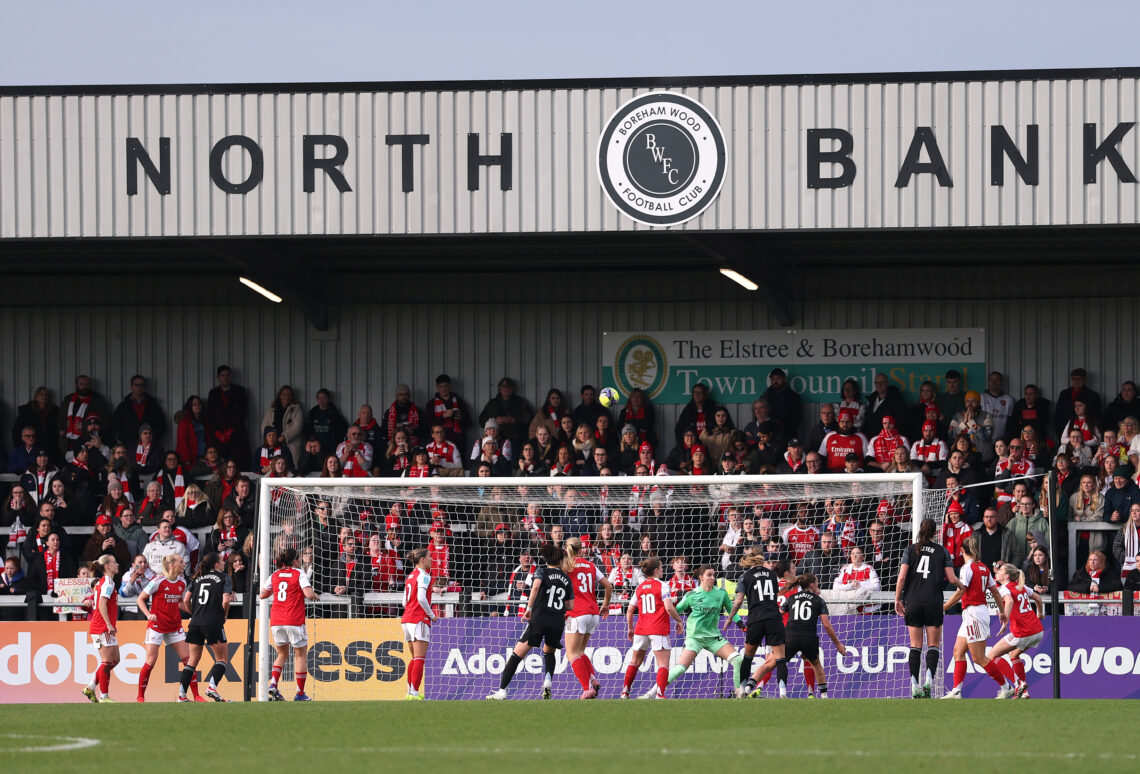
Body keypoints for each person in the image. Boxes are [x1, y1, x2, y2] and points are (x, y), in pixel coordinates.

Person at [487, 543, 573, 700]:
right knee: (549, 652)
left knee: (516, 654)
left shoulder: (542, 571)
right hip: (557, 622)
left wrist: (530, 607)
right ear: (560, 560)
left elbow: (535, 588)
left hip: (539, 618)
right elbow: (570, 605)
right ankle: (547, 682)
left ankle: (502, 691)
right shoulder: (567, 579)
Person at [643, 565, 742, 698]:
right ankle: (651, 693)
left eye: (714, 575)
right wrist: (663, 619)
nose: (713, 578)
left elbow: (731, 609)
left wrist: (741, 624)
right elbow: (676, 609)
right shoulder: (691, 595)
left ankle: (738, 693)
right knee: (680, 668)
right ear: (701, 577)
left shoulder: (721, 593)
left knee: (738, 660)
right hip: (694, 638)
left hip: (713, 637)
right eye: (709, 575)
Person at [895, 517, 960, 698]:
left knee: (915, 645)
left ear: (920, 530)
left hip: (913, 601)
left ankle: (915, 684)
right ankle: (929, 680)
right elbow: (952, 578)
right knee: (933, 644)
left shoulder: (910, 549)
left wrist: (896, 599)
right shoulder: (942, 552)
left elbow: (901, 577)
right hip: (933, 601)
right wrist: (963, 586)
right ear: (935, 532)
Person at [941, 536, 1010, 699]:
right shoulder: (984, 568)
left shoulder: (967, 568)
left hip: (974, 613)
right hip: (972, 613)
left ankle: (1006, 687)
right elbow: (994, 591)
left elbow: (961, 591)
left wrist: (943, 607)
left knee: (979, 657)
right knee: (958, 651)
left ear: (962, 550)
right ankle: (956, 691)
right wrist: (1002, 612)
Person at [764, 573, 847, 699]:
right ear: (812, 584)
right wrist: (837, 643)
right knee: (816, 664)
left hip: (790, 636)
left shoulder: (792, 598)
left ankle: (750, 686)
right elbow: (827, 625)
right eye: (817, 583)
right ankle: (824, 696)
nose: (818, 585)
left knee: (776, 662)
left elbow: (778, 614)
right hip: (809, 637)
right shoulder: (818, 600)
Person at [261, 547, 321, 701]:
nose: (300, 561)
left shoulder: (275, 574)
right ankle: (300, 693)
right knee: (300, 655)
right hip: (294, 619)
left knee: (281, 654)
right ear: (295, 560)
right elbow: (308, 594)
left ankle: (273, 684)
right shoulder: (299, 573)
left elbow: (263, 594)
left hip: (276, 621)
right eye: (299, 558)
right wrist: (314, 595)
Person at [136, 553, 198, 702]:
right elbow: (140, 599)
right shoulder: (158, 581)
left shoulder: (182, 582)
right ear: (172, 565)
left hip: (174, 626)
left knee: (188, 659)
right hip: (156, 626)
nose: (184, 564)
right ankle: (140, 697)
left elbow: (179, 602)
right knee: (150, 661)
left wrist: (194, 613)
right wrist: (148, 614)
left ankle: (195, 695)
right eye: (181, 562)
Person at [621, 557, 684, 699]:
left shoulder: (640, 587)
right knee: (663, 664)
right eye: (661, 567)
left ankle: (625, 692)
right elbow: (668, 607)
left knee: (635, 662)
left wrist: (630, 629)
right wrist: (679, 621)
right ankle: (660, 695)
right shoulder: (662, 585)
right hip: (658, 629)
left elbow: (630, 611)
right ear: (656, 570)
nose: (663, 570)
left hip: (641, 629)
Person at [726, 552, 786, 697]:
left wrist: (730, 617)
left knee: (748, 657)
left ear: (748, 562)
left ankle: (742, 689)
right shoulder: (772, 575)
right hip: (774, 618)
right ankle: (783, 692)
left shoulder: (744, 576)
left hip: (756, 619)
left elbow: (739, 600)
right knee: (780, 658)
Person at [985, 563, 1045, 699]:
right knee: (1013, 654)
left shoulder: (1004, 588)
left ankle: (1019, 683)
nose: (997, 572)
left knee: (992, 655)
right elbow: (1038, 598)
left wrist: (1005, 619)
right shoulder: (1021, 586)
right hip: (1037, 631)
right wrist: (1040, 613)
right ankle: (1024, 692)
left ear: (1006, 576)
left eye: (1000, 570)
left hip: (1023, 632)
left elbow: (1010, 601)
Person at [180, 552, 234, 702]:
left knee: (192, 660)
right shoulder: (224, 577)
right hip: (213, 621)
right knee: (222, 658)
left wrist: (195, 612)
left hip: (195, 622)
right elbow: (226, 601)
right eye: (222, 561)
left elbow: (186, 600)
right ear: (216, 564)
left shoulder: (197, 578)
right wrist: (224, 615)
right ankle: (212, 687)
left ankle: (181, 695)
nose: (224, 563)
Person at [81, 554, 121, 702]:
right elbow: (102, 604)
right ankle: (104, 696)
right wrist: (109, 624)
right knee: (106, 661)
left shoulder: (106, 582)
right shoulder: (107, 583)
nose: (118, 564)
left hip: (103, 626)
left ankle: (90, 687)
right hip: (101, 627)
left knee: (115, 660)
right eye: (115, 562)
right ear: (107, 566)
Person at [401, 548, 437, 701]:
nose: (431, 560)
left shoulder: (411, 576)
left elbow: (404, 602)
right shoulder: (424, 575)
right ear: (422, 560)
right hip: (419, 619)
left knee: (414, 658)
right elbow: (422, 598)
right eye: (429, 557)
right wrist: (432, 615)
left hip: (407, 619)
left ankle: (410, 692)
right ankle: (414, 693)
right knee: (420, 658)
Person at [478, 377, 533, 450]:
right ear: (500, 388)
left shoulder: (521, 402)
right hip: (496, 439)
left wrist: (514, 420)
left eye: (509, 387)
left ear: (513, 389)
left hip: (516, 439)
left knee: (514, 460)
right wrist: (494, 421)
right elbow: (481, 420)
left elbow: (529, 418)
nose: (506, 389)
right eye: (504, 386)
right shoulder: (492, 404)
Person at [1054, 367, 1102, 440]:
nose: (1076, 381)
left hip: (1086, 432)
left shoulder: (1092, 395)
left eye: (1079, 379)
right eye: (1074, 379)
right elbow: (1058, 415)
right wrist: (1059, 433)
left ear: (1085, 380)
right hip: (1067, 431)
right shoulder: (1064, 394)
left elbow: (1097, 415)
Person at [427, 374, 471, 448]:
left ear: (450, 386)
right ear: (437, 387)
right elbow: (429, 424)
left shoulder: (459, 402)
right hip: (439, 442)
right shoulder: (431, 404)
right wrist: (443, 416)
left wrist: (461, 418)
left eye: (446, 386)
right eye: (441, 386)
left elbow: (469, 423)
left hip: (458, 441)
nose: (444, 389)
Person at [761, 368, 802, 440]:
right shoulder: (765, 396)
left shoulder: (793, 397)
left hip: (786, 434)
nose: (775, 381)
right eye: (773, 379)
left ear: (784, 379)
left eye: (778, 378)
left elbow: (796, 419)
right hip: (768, 434)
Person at [982, 371, 1015, 442]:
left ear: (1001, 382)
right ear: (988, 382)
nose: (994, 382)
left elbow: (1010, 423)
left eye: (996, 380)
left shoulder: (1009, 399)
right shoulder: (981, 398)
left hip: (1002, 441)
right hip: (984, 440)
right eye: (991, 380)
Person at [1112, 502, 1140, 582]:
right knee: (1128, 590)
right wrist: (1127, 557)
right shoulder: (1124, 529)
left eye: (1137, 510)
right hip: (1127, 563)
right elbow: (1116, 547)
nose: (1134, 513)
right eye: (1132, 511)